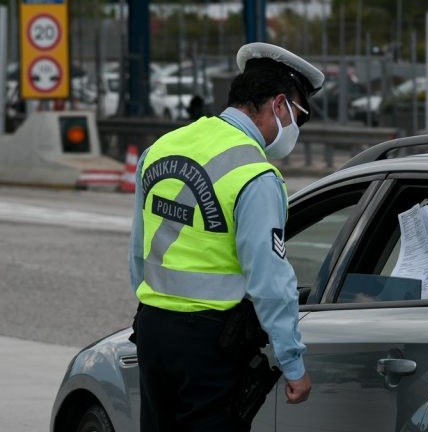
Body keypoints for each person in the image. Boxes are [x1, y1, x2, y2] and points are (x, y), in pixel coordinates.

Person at [128, 42, 324, 431]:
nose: (295, 130)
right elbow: (269, 281)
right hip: (210, 344)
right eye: (299, 118)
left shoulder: (162, 147)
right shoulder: (256, 174)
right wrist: (293, 363)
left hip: (152, 330)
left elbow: (138, 250)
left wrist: (152, 310)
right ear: (280, 105)